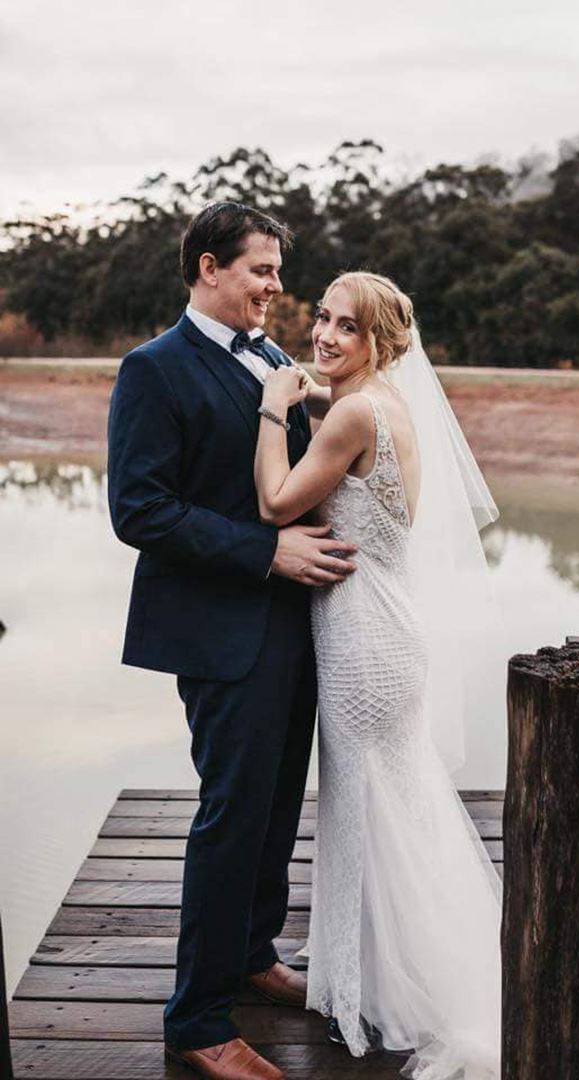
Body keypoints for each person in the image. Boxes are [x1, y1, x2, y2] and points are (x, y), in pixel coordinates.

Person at [107, 202, 357, 1080]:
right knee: (231, 815)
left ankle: (253, 954)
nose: (276, 288)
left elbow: (288, 479)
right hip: (221, 631)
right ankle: (199, 1019)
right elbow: (139, 512)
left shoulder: (276, 362)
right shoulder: (152, 371)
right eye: (261, 271)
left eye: (279, 273)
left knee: (278, 804)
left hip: (296, 626)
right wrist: (266, 552)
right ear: (209, 267)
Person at [253, 271, 503, 1079]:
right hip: (393, 631)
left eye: (345, 328)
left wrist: (271, 402)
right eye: (320, 318)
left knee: (366, 812)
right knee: (392, 809)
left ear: (380, 343)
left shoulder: (354, 411)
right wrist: (313, 402)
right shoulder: (387, 406)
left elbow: (277, 504)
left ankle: (382, 986)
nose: (323, 336)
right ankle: (373, 961)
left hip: (361, 639)